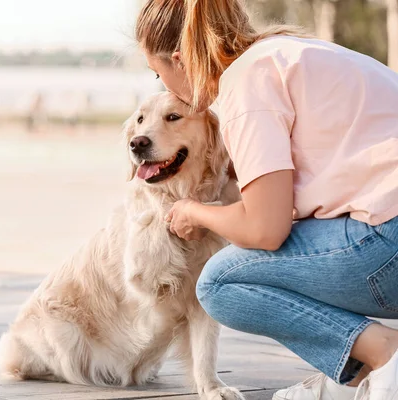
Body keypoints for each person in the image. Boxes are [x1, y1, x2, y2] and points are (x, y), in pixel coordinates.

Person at [134, 1, 398, 400]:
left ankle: (386, 357)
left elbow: (265, 229)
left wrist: (194, 211)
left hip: (390, 244)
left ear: (181, 60)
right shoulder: (294, 50)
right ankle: (357, 379)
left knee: (223, 279)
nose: (164, 87)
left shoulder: (247, 81)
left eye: (159, 73)